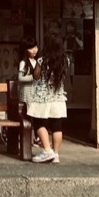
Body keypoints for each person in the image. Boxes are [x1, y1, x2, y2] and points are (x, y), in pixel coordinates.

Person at [18, 34, 67, 164]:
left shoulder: (42, 60)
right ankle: (55, 154)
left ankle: (46, 150)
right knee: (57, 126)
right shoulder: (64, 60)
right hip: (58, 97)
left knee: (39, 122)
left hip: (42, 97)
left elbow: (36, 76)